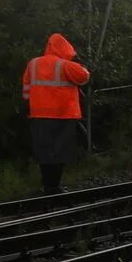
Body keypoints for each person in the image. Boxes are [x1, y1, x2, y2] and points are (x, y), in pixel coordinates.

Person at [21, 33, 90, 194]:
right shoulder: (65, 65)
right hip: (62, 115)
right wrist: (79, 64)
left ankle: (47, 185)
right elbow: (84, 76)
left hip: (39, 115)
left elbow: (26, 91)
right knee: (60, 151)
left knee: (44, 151)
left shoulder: (33, 64)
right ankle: (55, 186)